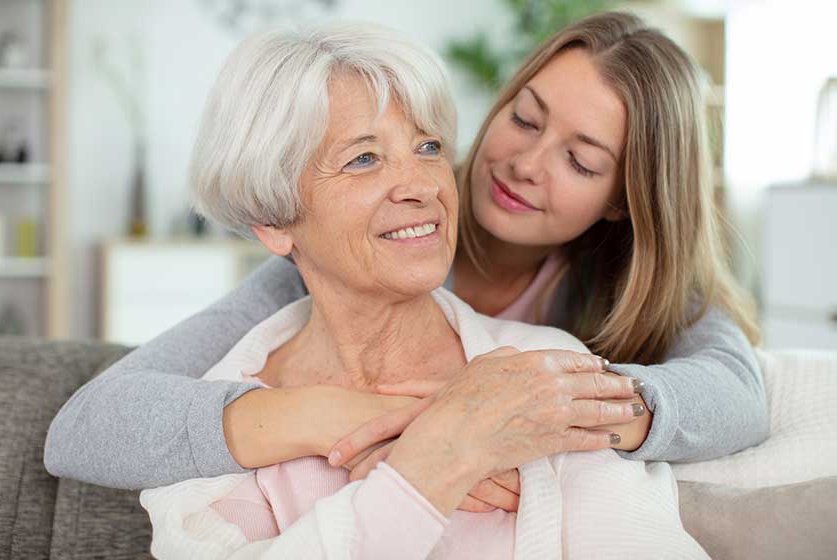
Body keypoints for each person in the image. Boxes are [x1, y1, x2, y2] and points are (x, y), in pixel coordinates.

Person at [45, 12, 767, 512]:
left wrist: (542, 408)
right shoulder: (356, 248)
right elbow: (91, 425)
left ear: (623, 199)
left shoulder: (634, 287)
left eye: (580, 160)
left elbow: (736, 394)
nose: (522, 164)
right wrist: (392, 421)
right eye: (523, 117)